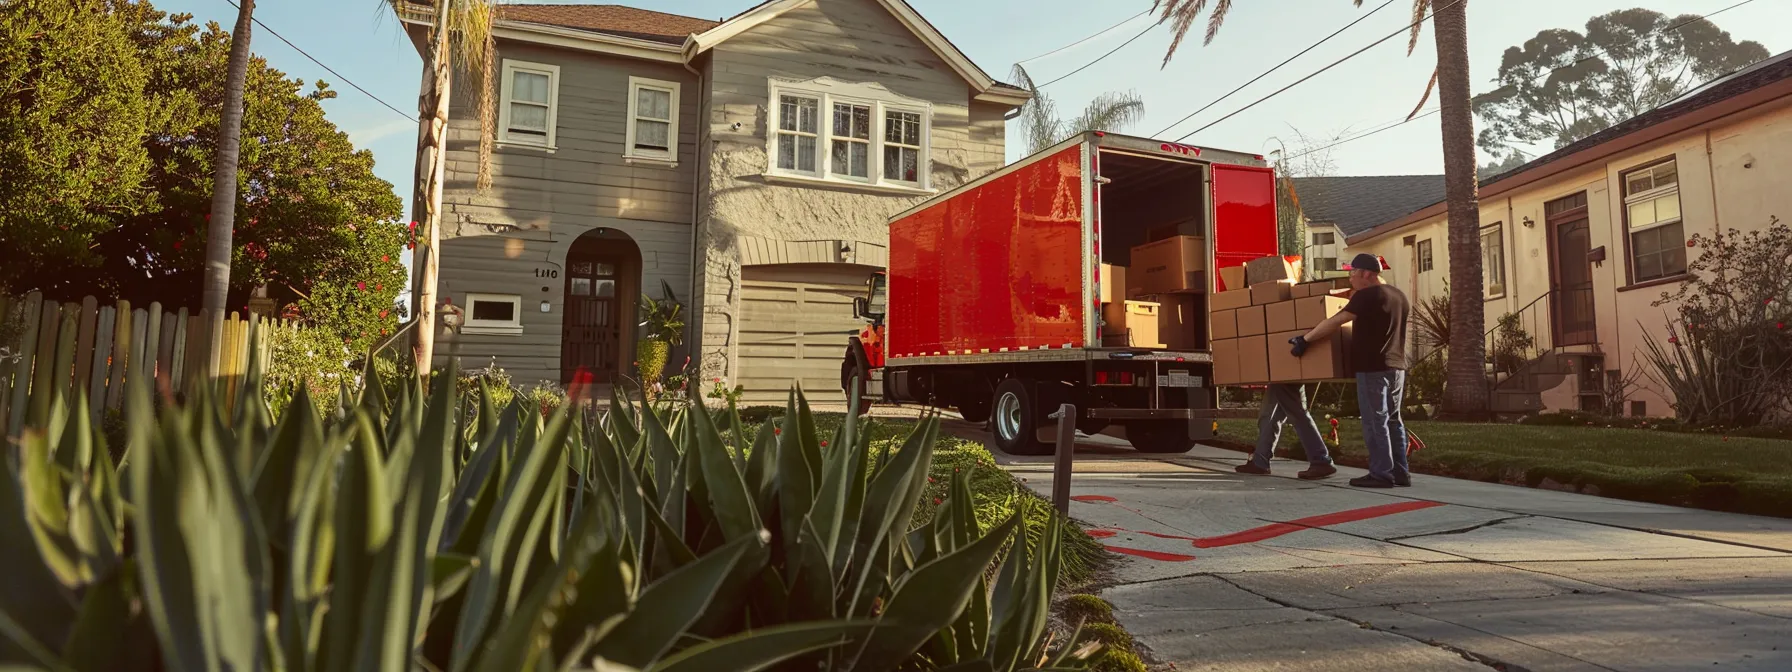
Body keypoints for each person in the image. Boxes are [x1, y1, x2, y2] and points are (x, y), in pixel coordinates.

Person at [1289, 253, 1412, 488]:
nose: (1350, 278)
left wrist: (1305, 339)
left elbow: (1335, 321)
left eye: (1352, 273)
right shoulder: (1398, 295)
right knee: (1393, 420)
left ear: (1367, 273)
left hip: (1372, 367)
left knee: (1375, 422)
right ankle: (1400, 472)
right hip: (1397, 367)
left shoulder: (1367, 296)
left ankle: (1380, 474)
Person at [1235, 383, 1337, 479]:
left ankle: (1321, 460)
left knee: (1297, 413)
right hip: (1280, 374)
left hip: (1286, 373)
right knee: (1269, 414)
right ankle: (1260, 461)